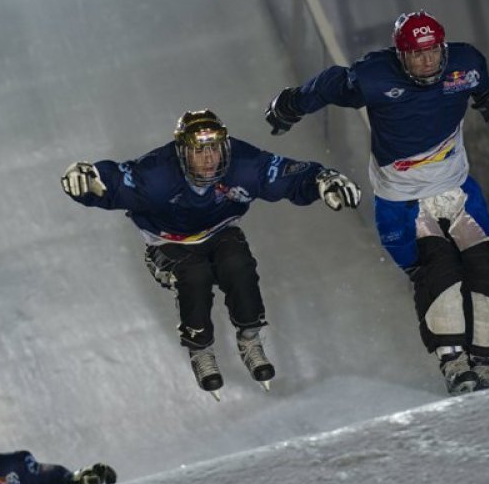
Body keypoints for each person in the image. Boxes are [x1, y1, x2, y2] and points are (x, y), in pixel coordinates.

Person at [265, 10, 489, 395]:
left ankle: (483, 362)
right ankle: (453, 363)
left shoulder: (465, 64)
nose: (427, 62)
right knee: (439, 271)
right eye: (416, 54)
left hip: (458, 192)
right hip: (403, 202)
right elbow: (332, 84)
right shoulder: (375, 77)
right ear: (400, 56)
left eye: (433, 51)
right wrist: (292, 104)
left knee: (487, 267)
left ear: (443, 48)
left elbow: (481, 84)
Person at [61, 109, 361, 400]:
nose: (208, 160)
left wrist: (322, 179)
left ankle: (250, 337)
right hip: (169, 243)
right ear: (181, 152)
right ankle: (201, 347)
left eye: (215, 149)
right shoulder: (156, 174)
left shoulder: (243, 164)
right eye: (198, 151)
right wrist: (85, 181)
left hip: (221, 233)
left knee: (237, 265)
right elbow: (112, 183)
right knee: (195, 275)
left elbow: (287, 175)